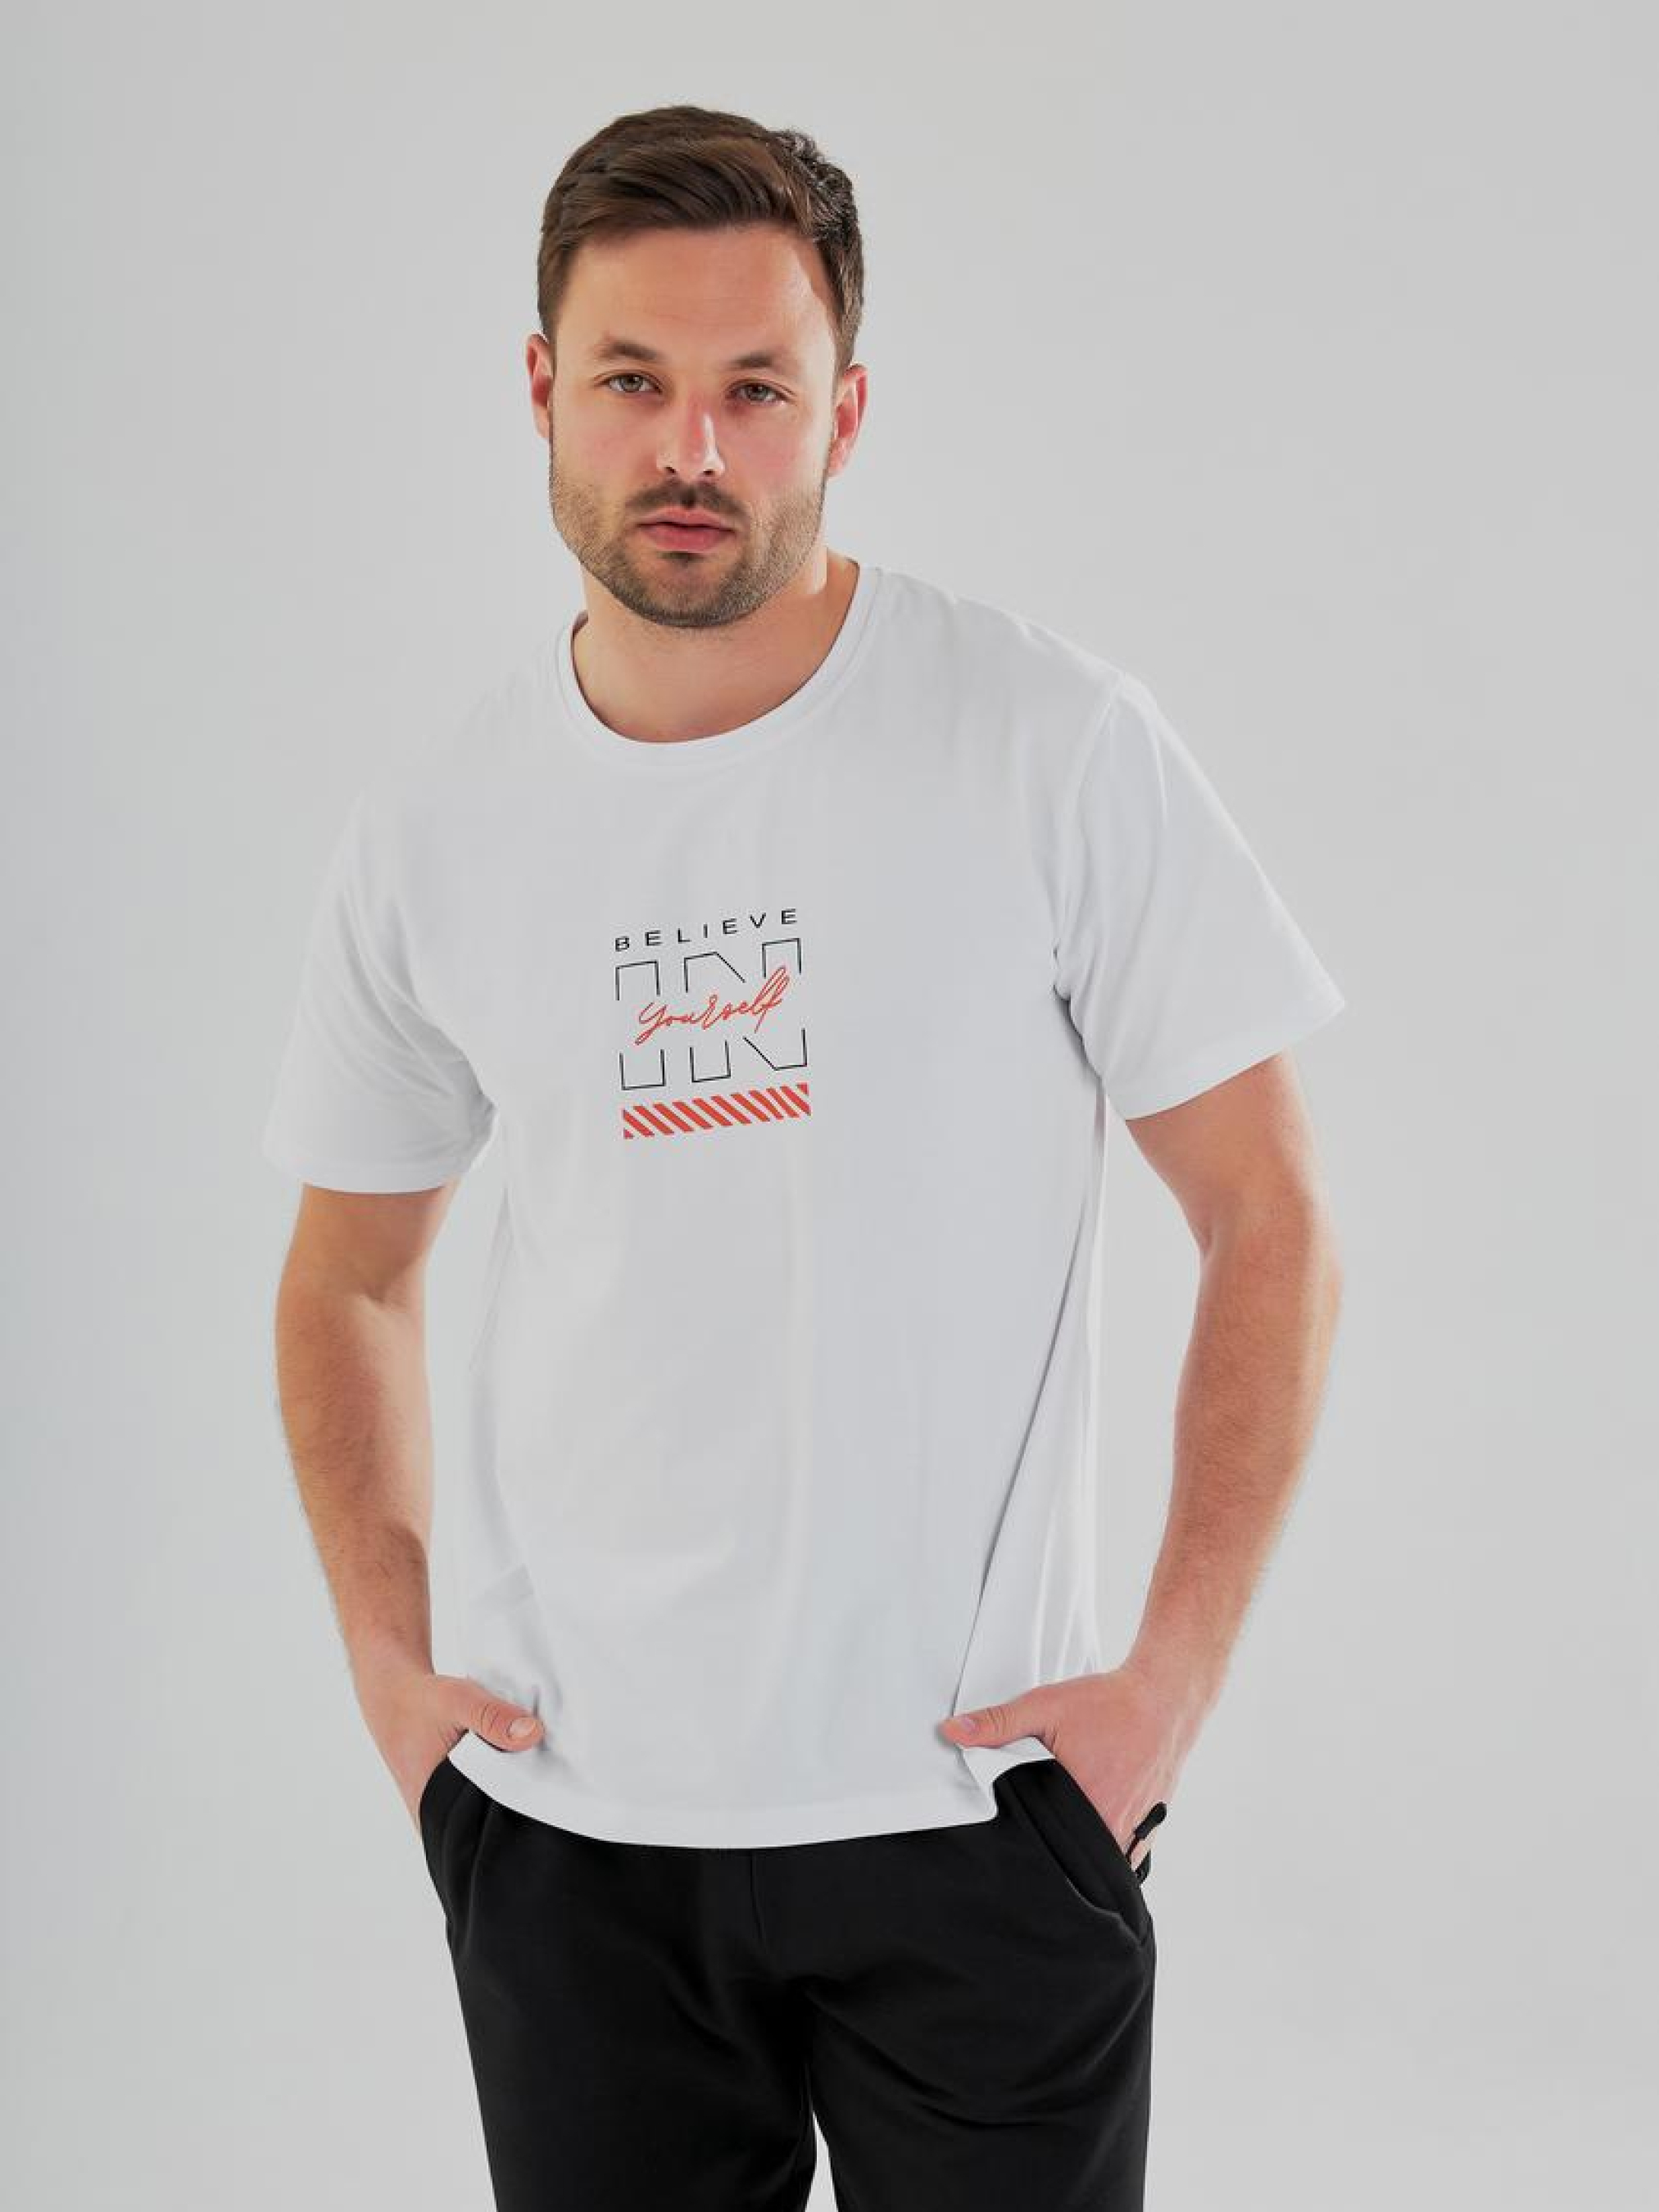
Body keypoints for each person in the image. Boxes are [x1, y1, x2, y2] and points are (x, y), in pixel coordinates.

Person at [261, 101, 1346, 2212]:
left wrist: (1164, 1693)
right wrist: (398, 1686)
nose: (692, 448)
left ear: (844, 410)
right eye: (633, 379)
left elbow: (1270, 1216)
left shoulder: (1044, 744)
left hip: (979, 1819)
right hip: (569, 1839)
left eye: (756, 388)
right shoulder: (438, 826)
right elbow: (347, 1271)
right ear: (540, 390)